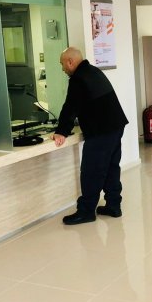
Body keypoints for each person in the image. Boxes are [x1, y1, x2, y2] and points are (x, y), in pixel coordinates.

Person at [52, 47, 128, 225]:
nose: (62, 68)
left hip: (102, 130)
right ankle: (113, 205)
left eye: (62, 64)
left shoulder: (78, 78)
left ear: (70, 62)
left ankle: (86, 211)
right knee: (111, 167)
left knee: (91, 171)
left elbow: (70, 106)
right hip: (115, 125)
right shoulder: (93, 71)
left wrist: (61, 131)